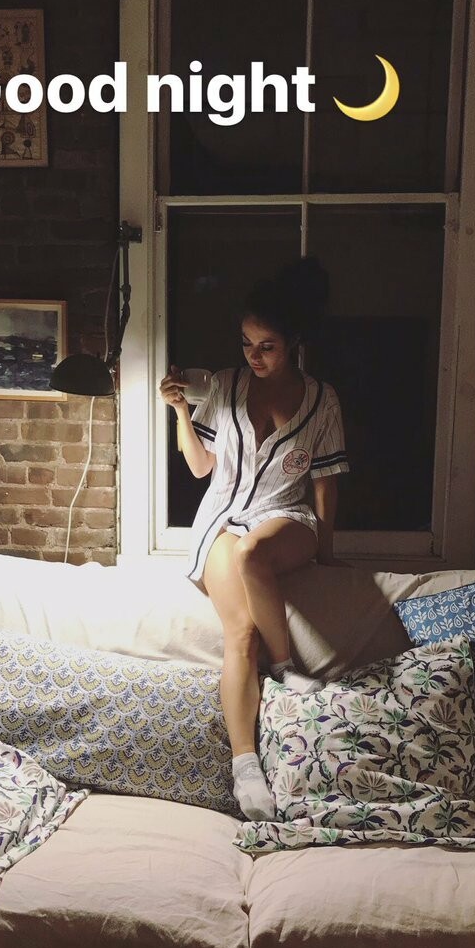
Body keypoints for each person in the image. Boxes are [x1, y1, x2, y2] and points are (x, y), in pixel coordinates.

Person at [159, 257, 349, 821]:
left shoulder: (322, 401)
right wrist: (180, 410)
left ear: (293, 344)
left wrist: (328, 554)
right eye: (246, 343)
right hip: (221, 518)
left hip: (285, 517)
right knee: (239, 634)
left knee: (253, 553)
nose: (254, 356)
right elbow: (200, 468)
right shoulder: (224, 386)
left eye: (266, 346)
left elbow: (326, 481)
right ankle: (246, 770)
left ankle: (285, 668)